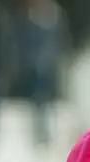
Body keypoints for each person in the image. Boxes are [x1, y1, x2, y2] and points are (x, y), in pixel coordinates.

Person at [20, 0, 68, 148]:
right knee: (38, 100)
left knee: (49, 99)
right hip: (35, 66)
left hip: (48, 64)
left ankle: (49, 132)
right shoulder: (31, 19)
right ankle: (41, 132)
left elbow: (60, 40)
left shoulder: (53, 16)